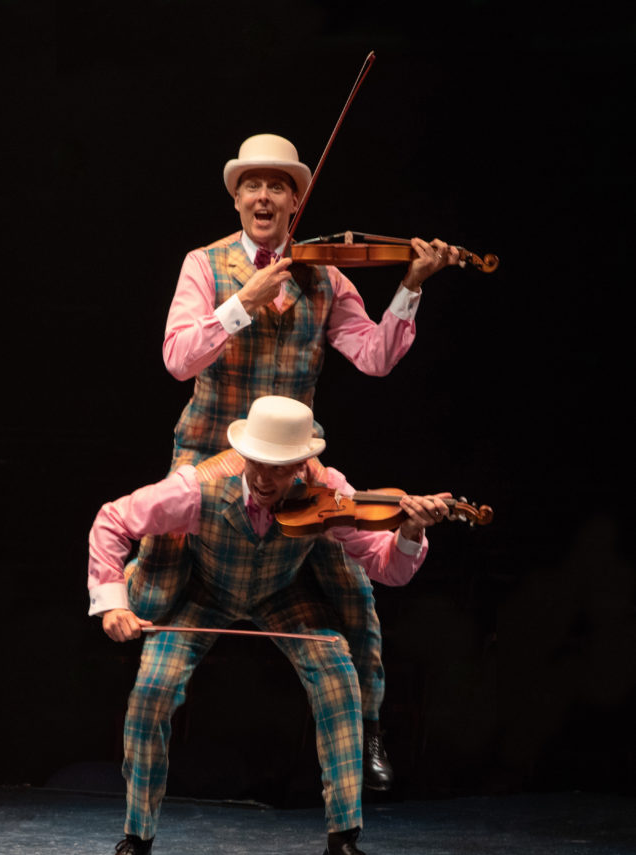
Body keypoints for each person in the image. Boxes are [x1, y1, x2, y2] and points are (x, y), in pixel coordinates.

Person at [144, 133, 462, 792]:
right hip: (210, 460)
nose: (264, 196)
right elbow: (178, 360)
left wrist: (409, 287)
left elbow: (374, 357)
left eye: (279, 185)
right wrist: (243, 305)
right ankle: (143, 765)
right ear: (236, 198)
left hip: (291, 468)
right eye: (252, 184)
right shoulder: (203, 266)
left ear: (298, 200)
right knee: (155, 596)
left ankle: (369, 729)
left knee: (355, 589)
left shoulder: (328, 277)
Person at [89, 395, 451, 855]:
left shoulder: (329, 491)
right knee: (151, 692)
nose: (263, 479)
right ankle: (136, 840)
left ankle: (342, 848)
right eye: (257, 463)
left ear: (301, 464)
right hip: (205, 593)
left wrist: (410, 530)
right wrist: (113, 604)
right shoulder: (198, 488)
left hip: (283, 593)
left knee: (339, 678)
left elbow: (388, 568)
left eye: (279, 469)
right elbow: (112, 519)